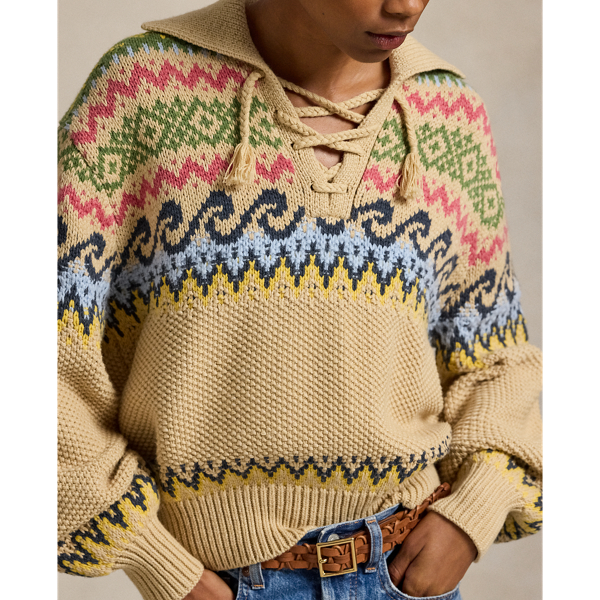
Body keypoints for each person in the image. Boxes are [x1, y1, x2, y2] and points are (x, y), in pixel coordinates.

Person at [57, 0, 543, 599]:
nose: (406, 5)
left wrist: (472, 514)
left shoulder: (448, 114)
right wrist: (157, 561)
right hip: (221, 582)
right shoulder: (141, 90)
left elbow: (493, 354)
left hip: (403, 571)